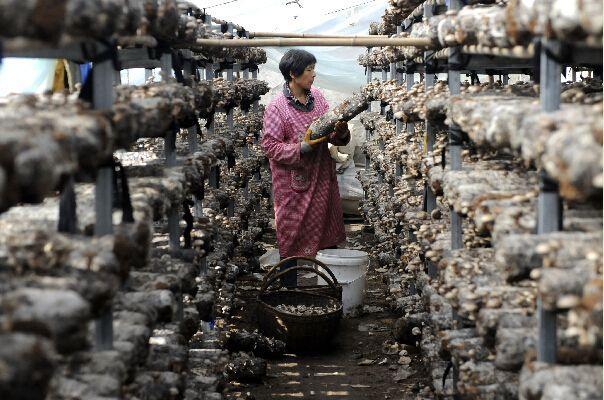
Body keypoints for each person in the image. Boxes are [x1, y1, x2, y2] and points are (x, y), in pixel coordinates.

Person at [261, 49, 350, 287]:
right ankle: (289, 288)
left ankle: (331, 286)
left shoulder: (318, 98)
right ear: (293, 73)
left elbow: (330, 132)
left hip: (322, 179)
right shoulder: (277, 107)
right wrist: (302, 148)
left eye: (313, 68)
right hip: (294, 185)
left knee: (328, 228)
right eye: (309, 70)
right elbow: (270, 146)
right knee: (292, 235)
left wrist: (340, 134)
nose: (314, 75)